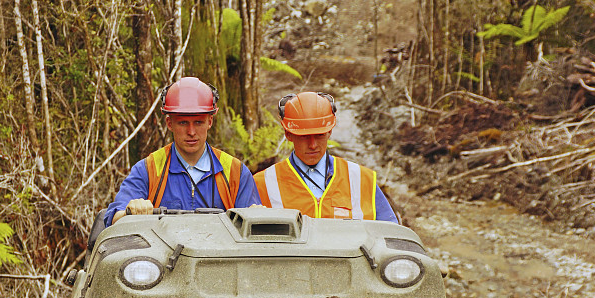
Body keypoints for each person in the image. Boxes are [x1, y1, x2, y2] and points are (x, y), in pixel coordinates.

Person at [105, 77, 261, 225]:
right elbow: (113, 219)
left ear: (210, 121)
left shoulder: (234, 171)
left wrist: (257, 215)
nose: (191, 131)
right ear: (169, 123)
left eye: (198, 122)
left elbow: (253, 231)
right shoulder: (149, 169)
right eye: (183, 123)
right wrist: (130, 211)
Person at [253, 91, 398, 222]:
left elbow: (391, 235)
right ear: (288, 134)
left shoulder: (362, 179)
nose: (313, 145)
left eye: (319, 135)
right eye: (304, 137)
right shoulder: (262, 184)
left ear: (330, 132)